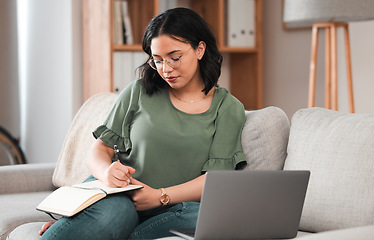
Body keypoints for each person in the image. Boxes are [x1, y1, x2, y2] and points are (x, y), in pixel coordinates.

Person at [40, 7, 246, 239]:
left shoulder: (227, 108)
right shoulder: (138, 92)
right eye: (157, 61)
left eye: (175, 58)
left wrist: (160, 196)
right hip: (122, 198)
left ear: (200, 49)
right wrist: (107, 172)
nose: (166, 69)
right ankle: (92, 225)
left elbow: (216, 179)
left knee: (210, 216)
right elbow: (100, 149)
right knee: (116, 213)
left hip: (177, 207)